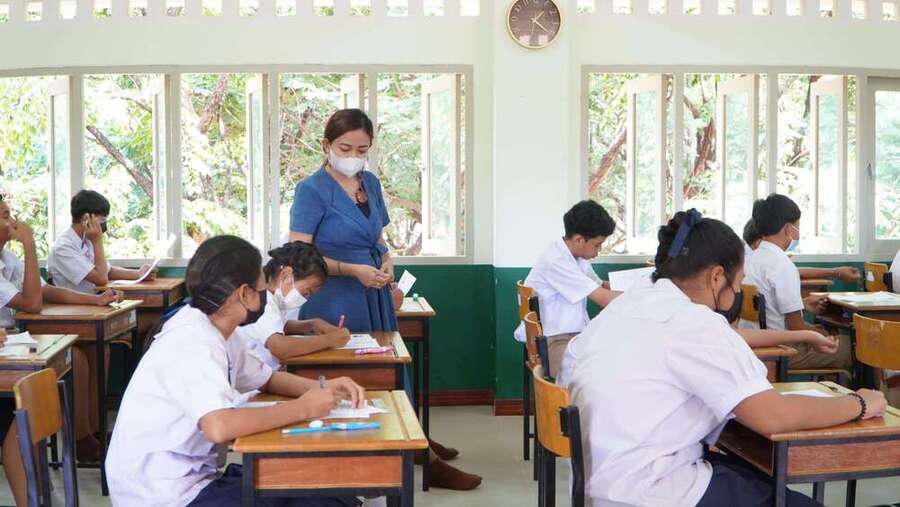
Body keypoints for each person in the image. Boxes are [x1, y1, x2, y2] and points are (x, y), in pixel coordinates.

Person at [567, 209, 887, 506]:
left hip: (602, 483)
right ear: (717, 277)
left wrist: (800, 337)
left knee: (757, 478)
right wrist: (859, 403)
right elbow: (773, 416)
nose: (736, 293)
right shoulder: (693, 321)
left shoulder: (629, 305)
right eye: (737, 284)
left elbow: (720, 342)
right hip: (654, 489)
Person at [288, 108, 479, 490]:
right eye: (345, 148)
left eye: (362, 150)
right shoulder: (312, 190)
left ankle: (413, 440)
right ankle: (395, 455)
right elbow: (299, 255)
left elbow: (376, 236)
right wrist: (350, 269)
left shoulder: (370, 184)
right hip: (334, 299)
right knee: (358, 378)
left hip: (373, 292)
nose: (353, 156)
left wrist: (387, 258)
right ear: (326, 146)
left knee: (391, 370)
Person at [106, 235, 365, 506]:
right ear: (244, 294)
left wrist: (324, 388)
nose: (265, 296)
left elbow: (267, 379)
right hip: (163, 493)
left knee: (326, 487)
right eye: (262, 288)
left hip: (192, 477)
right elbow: (218, 426)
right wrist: (304, 408)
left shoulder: (221, 330)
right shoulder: (193, 340)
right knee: (322, 502)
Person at [0, 195, 123, 463]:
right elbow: (33, 303)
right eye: (6, 216)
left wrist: (95, 300)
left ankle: (91, 432)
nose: (14, 222)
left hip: (16, 338)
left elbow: (46, 291)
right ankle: (81, 439)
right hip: (9, 343)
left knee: (94, 352)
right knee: (75, 358)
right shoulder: (63, 246)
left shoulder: (7, 258)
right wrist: (30, 245)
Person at [742, 195, 852, 370]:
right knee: (853, 346)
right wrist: (820, 334)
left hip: (753, 346)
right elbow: (796, 326)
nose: (798, 233)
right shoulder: (782, 265)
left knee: (825, 334)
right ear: (788, 229)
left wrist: (812, 325)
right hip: (780, 351)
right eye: (798, 227)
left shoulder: (750, 260)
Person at [513, 200, 618, 378]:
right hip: (553, 341)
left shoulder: (577, 257)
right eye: (597, 245)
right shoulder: (556, 261)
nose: (598, 251)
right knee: (599, 368)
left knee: (614, 355)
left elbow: (602, 286)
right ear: (579, 240)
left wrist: (635, 284)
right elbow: (604, 298)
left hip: (573, 335)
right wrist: (642, 295)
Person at [234, 241, 350, 370]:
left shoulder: (272, 299)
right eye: (306, 292)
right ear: (286, 275)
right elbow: (279, 347)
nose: (305, 299)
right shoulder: (262, 301)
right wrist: (329, 340)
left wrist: (313, 324)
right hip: (256, 379)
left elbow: (276, 326)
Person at [47, 189, 156, 293]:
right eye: (102, 219)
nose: (104, 224)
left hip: (92, 301)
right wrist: (97, 241)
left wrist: (139, 274)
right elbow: (101, 278)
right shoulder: (63, 248)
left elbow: (107, 271)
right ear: (86, 219)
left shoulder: (86, 239)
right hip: (73, 305)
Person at [743, 219, 860, 285]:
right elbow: (797, 272)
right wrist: (835, 272)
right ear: (759, 242)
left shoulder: (753, 256)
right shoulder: (753, 258)